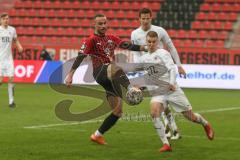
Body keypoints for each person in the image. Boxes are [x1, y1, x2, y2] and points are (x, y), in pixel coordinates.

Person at [65, 14, 146, 145]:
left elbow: (126, 45)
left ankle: (97, 135)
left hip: (111, 79)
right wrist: (70, 74)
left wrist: (145, 48)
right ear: (94, 25)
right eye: (100, 24)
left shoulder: (111, 38)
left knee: (118, 111)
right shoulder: (91, 40)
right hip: (100, 72)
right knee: (114, 66)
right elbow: (81, 56)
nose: (103, 26)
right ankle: (131, 89)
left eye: (104, 23)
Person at [139, 31, 214, 152]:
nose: (151, 44)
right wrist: (141, 87)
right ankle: (166, 144)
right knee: (154, 113)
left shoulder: (163, 53)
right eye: (149, 41)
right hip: (159, 92)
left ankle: (205, 124)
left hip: (172, 90)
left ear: (157, 42)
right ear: (146, 42)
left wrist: (172, 83)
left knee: (191, 117)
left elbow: (172, 69)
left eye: (154, 41)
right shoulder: (143, 59)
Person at [131, 8, 182, 139]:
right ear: (139, 19)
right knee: (161, 102)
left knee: (162, 101)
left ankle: (171, 128)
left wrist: (179, 65)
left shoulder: (160, 31)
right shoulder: (135, 34)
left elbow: (171, 47)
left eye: (147, 18)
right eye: (143, 18)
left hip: (162, 69)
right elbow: (136, 53)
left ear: (151, 18)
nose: (145, 20)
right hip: (149, 70)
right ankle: (172, 128)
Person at [0, 13, 23, 107]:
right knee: (0, 81)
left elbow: (15, 39)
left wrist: (19, 46)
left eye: (7, 19)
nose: (6, 20)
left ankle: (11, 101)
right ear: (0, 20)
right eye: (4, 19)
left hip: (9, 60)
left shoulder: (12, 30)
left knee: (11, 79)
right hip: (0, 59)